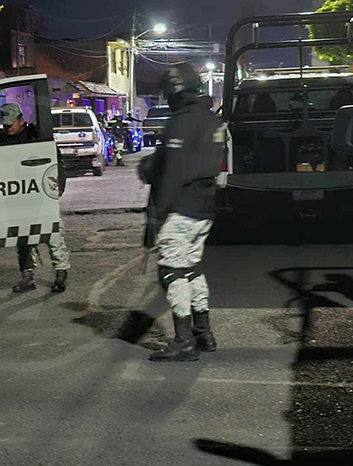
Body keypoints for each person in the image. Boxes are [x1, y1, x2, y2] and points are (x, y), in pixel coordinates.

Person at [138, 63, 224, 362]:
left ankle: (184, 341)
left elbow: (172, 174)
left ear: (175, 91)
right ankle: (203, 333)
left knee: (172, 273)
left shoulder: (181, 123)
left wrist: (157, 216)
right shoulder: (211, 120)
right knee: (192, 269)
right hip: (204, 207)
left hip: (180, 208)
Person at [0, 103, 71, 293]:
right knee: (23, 238)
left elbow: (56, 160)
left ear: (21, 121)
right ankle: (27, 275)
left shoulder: (37, 136)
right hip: (17, 196)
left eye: (11, 124)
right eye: (5, 125)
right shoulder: (2, 141)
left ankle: (61, 272)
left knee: (53, 233)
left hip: (40, 193)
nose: (8, 128)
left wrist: (59, 184)